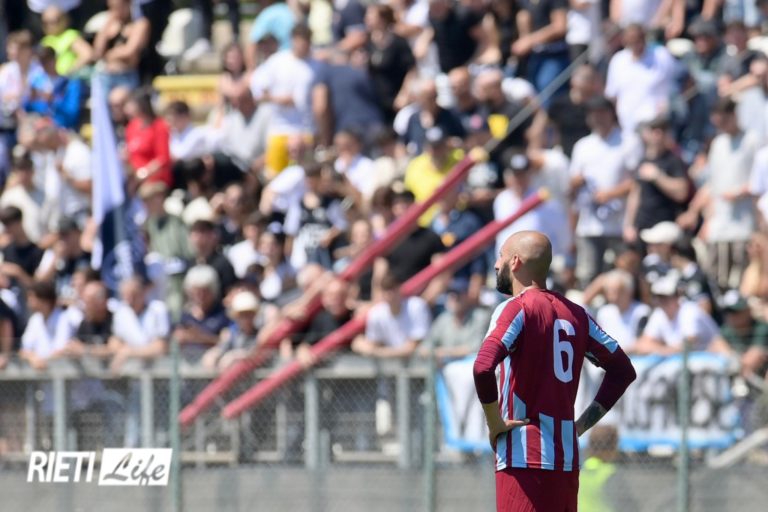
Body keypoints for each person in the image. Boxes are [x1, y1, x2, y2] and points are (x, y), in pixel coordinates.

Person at [473, 231, 636, 511]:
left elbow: (482, 367)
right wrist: (580, 426)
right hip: (565, 460)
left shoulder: (515, 308)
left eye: (500, 256)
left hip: (522, 457)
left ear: (515, 262)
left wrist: (495, 424)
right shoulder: (577, 314)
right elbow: (623, 371)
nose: (496, 265)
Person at [92, 0, 149, 94]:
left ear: (128, 4)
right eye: (111, 7)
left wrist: (108, 55)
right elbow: (97, 52)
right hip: (105, 75)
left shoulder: (140, 24)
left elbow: (130, 52)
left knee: (118, 98)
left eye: (117, 7)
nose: (114, 11)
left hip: (127, 76)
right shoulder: (110, 26)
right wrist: (107, 26)